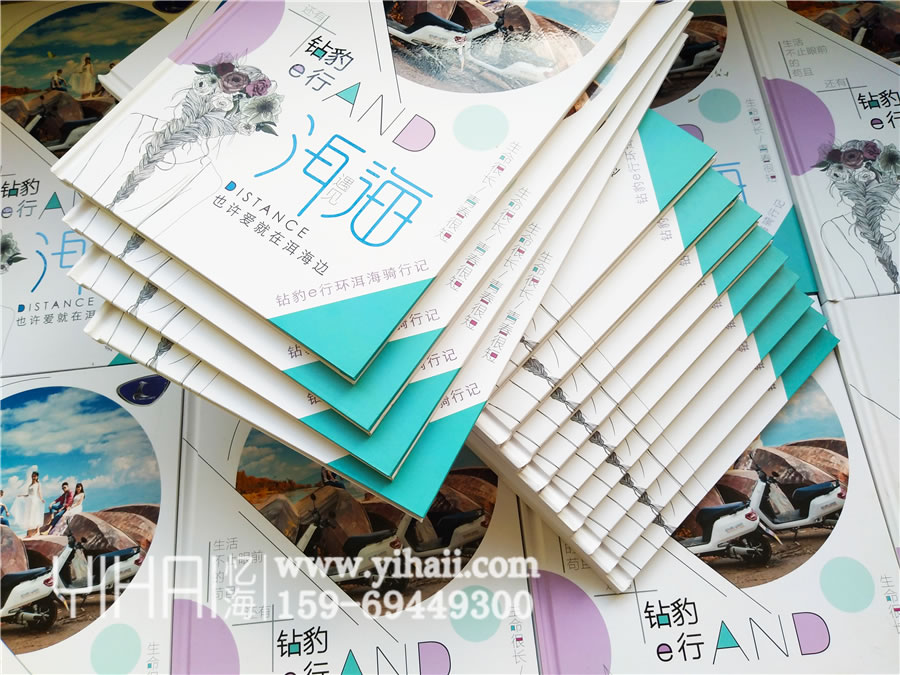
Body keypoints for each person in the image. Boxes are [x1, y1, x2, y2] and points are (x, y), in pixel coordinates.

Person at [10, 471, 45, 537]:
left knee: (35, 514)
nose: (33, 477)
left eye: (35, 476)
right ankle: (29, 533)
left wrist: (41, 499)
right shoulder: (30, 485)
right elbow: (28, 495)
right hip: (29, 501)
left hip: (34, 501)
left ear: (37, 477)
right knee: (29, 516)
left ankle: (37, 531)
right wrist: (21, 496)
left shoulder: (38, 484)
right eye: (32, 476)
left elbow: (39, 492)